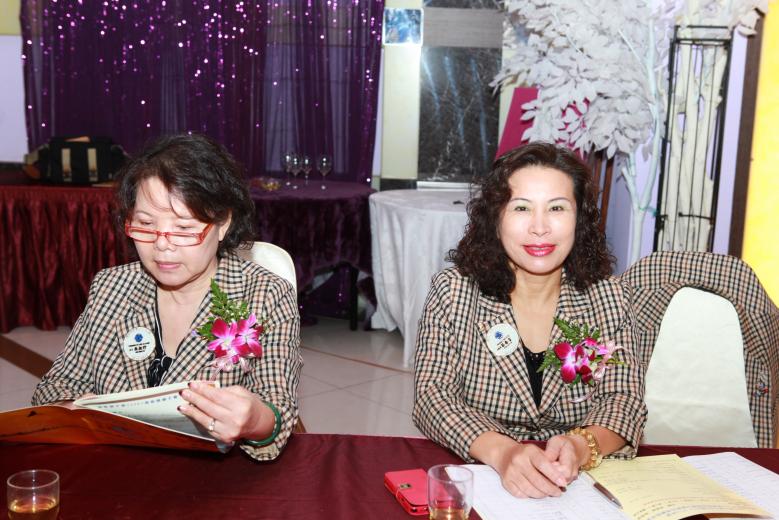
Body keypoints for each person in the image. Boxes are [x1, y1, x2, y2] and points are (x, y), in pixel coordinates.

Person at [32, 134, 302, 461]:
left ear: (222, 223)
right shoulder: (112, 287)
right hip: (119, 465)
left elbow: (279, 409)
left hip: (214, 474)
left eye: (184, 228)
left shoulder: (265, 294)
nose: (161, 245)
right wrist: (80, 410)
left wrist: (255, 420)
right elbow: (53, 389)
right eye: (146, 224)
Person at [413, 142, 647, 498]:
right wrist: (502, 451)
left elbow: (624, 400)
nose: (540, 228)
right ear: (496, 219)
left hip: (576, 484)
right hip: (481, 472)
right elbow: (433, 396)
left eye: (557, 208)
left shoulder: (609, 297)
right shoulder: (454, 291)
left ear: (579, 219)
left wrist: (581, 445)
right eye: (521, 208)